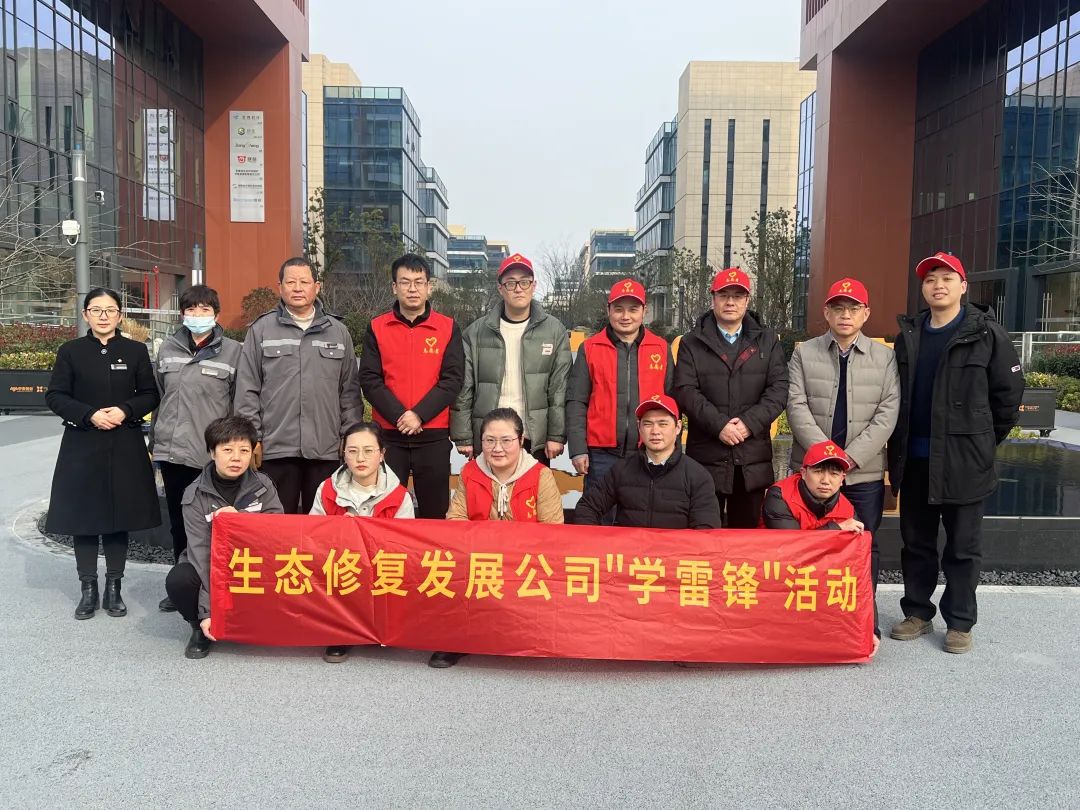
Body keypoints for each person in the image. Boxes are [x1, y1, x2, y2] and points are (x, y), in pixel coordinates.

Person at [887, 252, 1023, 655]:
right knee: (916, 543)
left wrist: (980, 442)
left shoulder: (987, 333)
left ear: (963, 286)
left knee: (963, 547)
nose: (938, 285)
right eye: (930, 279)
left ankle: (960, 621)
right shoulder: (909, 335)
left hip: (965, 462)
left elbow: (1008, 398)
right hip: (915, 460)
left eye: (947, 278)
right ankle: (917, 612)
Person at [786, 276, 899, 638]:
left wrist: (847, 461)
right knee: (808, 545)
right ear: (826, 313)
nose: (845, 315)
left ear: (866, 313)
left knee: (863, 544)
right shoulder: (804, 353)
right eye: (838, 308)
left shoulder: (885, 357)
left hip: (862, 473)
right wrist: (824, 461)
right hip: (810, 473)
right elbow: (796, 405)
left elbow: (887, 414)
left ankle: (863, 620)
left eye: (853, 308)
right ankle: (808, 622)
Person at [45, 288, 160, 620]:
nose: (104, 316)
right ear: (86, 315)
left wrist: (125, 410)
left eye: (110, 310)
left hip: (124, 443)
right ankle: (88, 588)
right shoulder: (70, 351)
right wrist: (89, 414)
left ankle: (113, 587)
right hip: (82, 443)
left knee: (117, 518)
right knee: (84, 519)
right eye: (96, 310)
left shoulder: (135, 350)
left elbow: (150, 393)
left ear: (120, 315)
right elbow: (55, 396)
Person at [436, 407, 563, 669]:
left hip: (525, 561)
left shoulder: (541, 475)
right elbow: (455, 520)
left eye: (506, 440)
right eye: (489, 440)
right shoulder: (470, 472)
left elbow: (553, 531)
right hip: (480, 559)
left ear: (521, 440)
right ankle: (455, 640)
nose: (497, 448)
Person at [234, 257, 363, 514]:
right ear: (279, 287)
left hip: (325, 449)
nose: (297, 288)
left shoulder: (338, 332)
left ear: (317, 286)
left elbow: (349, 391)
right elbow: (247, 389)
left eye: (304, 282)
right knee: (277, 523)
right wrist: (251, 438)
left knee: (323, 524)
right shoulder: (261, 330)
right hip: (275, 448)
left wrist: (349, 437)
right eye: (290, 282)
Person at [151, 284, 242, 612]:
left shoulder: (234, 352)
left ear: (216, 314)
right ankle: (181, 585)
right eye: (191, 309)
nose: (198, 315)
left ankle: (215, 585)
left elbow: (239, 404)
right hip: (173, 452)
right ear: (182, 314)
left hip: (211, 455)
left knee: (214, 522)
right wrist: (155, 442)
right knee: (179, 521)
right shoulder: (167, 349)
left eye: (205, 309)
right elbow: (159, 397)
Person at [673, 268, 788, 527]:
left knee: (746, 539)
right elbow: (685, 390)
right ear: (713, 298)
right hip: (706, 457)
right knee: (704, 535)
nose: (730, 302)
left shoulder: (768, 341)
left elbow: (778, 390)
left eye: (738, 296)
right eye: (723, 295)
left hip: (752, 459)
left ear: (747, 301)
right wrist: (720, 426)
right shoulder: (692, 343)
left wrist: (748, 424)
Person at [164, 416, 283, 659]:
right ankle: (199, 628)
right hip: (211, 561)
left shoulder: (263, 485)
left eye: (244, 450)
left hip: (252, 561)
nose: (236, 458)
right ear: (212, 452)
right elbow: (201, 555)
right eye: (227, 450)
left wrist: (239, 521)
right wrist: (206, 612)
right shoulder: (194, 495)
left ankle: (259, 619)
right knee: (180, 579)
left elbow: (278, 530)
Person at [358, 254, 464, 518]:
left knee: (434, 513)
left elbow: (452, 379)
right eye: (405, 282)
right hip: (389, 435)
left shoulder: (447, 327)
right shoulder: (377, 327)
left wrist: (419, 415)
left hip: (433, 434)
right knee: (386, 510)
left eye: (419, 282)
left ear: (429, 286)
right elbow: (370, 379)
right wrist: (400, 416)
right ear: (394, 287)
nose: (412, 289)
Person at [452, 253, 572, 466]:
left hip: (534, 436)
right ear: (500, 288)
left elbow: (559, 388)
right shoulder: (475, 333)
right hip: (491, 436)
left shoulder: (555, 331)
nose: (518, 289)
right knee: (486, 488)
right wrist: (463, 436)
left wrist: (556, 435)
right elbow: (464, 388)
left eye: (524, 282)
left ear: (534, 286)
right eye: (511, 283)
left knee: (534, 488)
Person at [310, 421, 414, 663]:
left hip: (381, 570)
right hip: (339, 569)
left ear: (382, 454)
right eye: (352, 451)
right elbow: (313, 539)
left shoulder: (399, 496)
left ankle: (383, 627)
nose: (360, 458)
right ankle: (338, 633)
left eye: (368, 451)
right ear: (343, 453)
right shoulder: (326, 490)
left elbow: (405, 548)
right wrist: (338, 533)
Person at [567, 278, 674, 498]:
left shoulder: (661, 348)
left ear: (644, 311)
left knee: (643, 515)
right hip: (601, 455)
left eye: (633, 309)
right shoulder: (590, 348)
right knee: (600, 515)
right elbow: (576, 401)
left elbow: (672, 402)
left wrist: (670, 448)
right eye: (618, 309)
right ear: (609, 310)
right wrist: (578, 449)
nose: (625, 316)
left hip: (649, 452)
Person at [574, 395, 721, 529]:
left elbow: (706, 530)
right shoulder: (621, 470)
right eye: (648, 424)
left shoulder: (698, 476)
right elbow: (587, 507)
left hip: (675, 549)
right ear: (639, 427)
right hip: (629, 549)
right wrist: (598, 543)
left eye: (663, 424)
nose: (655, 431)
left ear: (677, 427)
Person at [761, 441, 863, 532]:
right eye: (818, 472)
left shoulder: (847, 510)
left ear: (842, 479)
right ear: (803, 473)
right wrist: (837, 528)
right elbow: (791, 542)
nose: (825, 481)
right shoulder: (780, 496)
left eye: (834, 474)